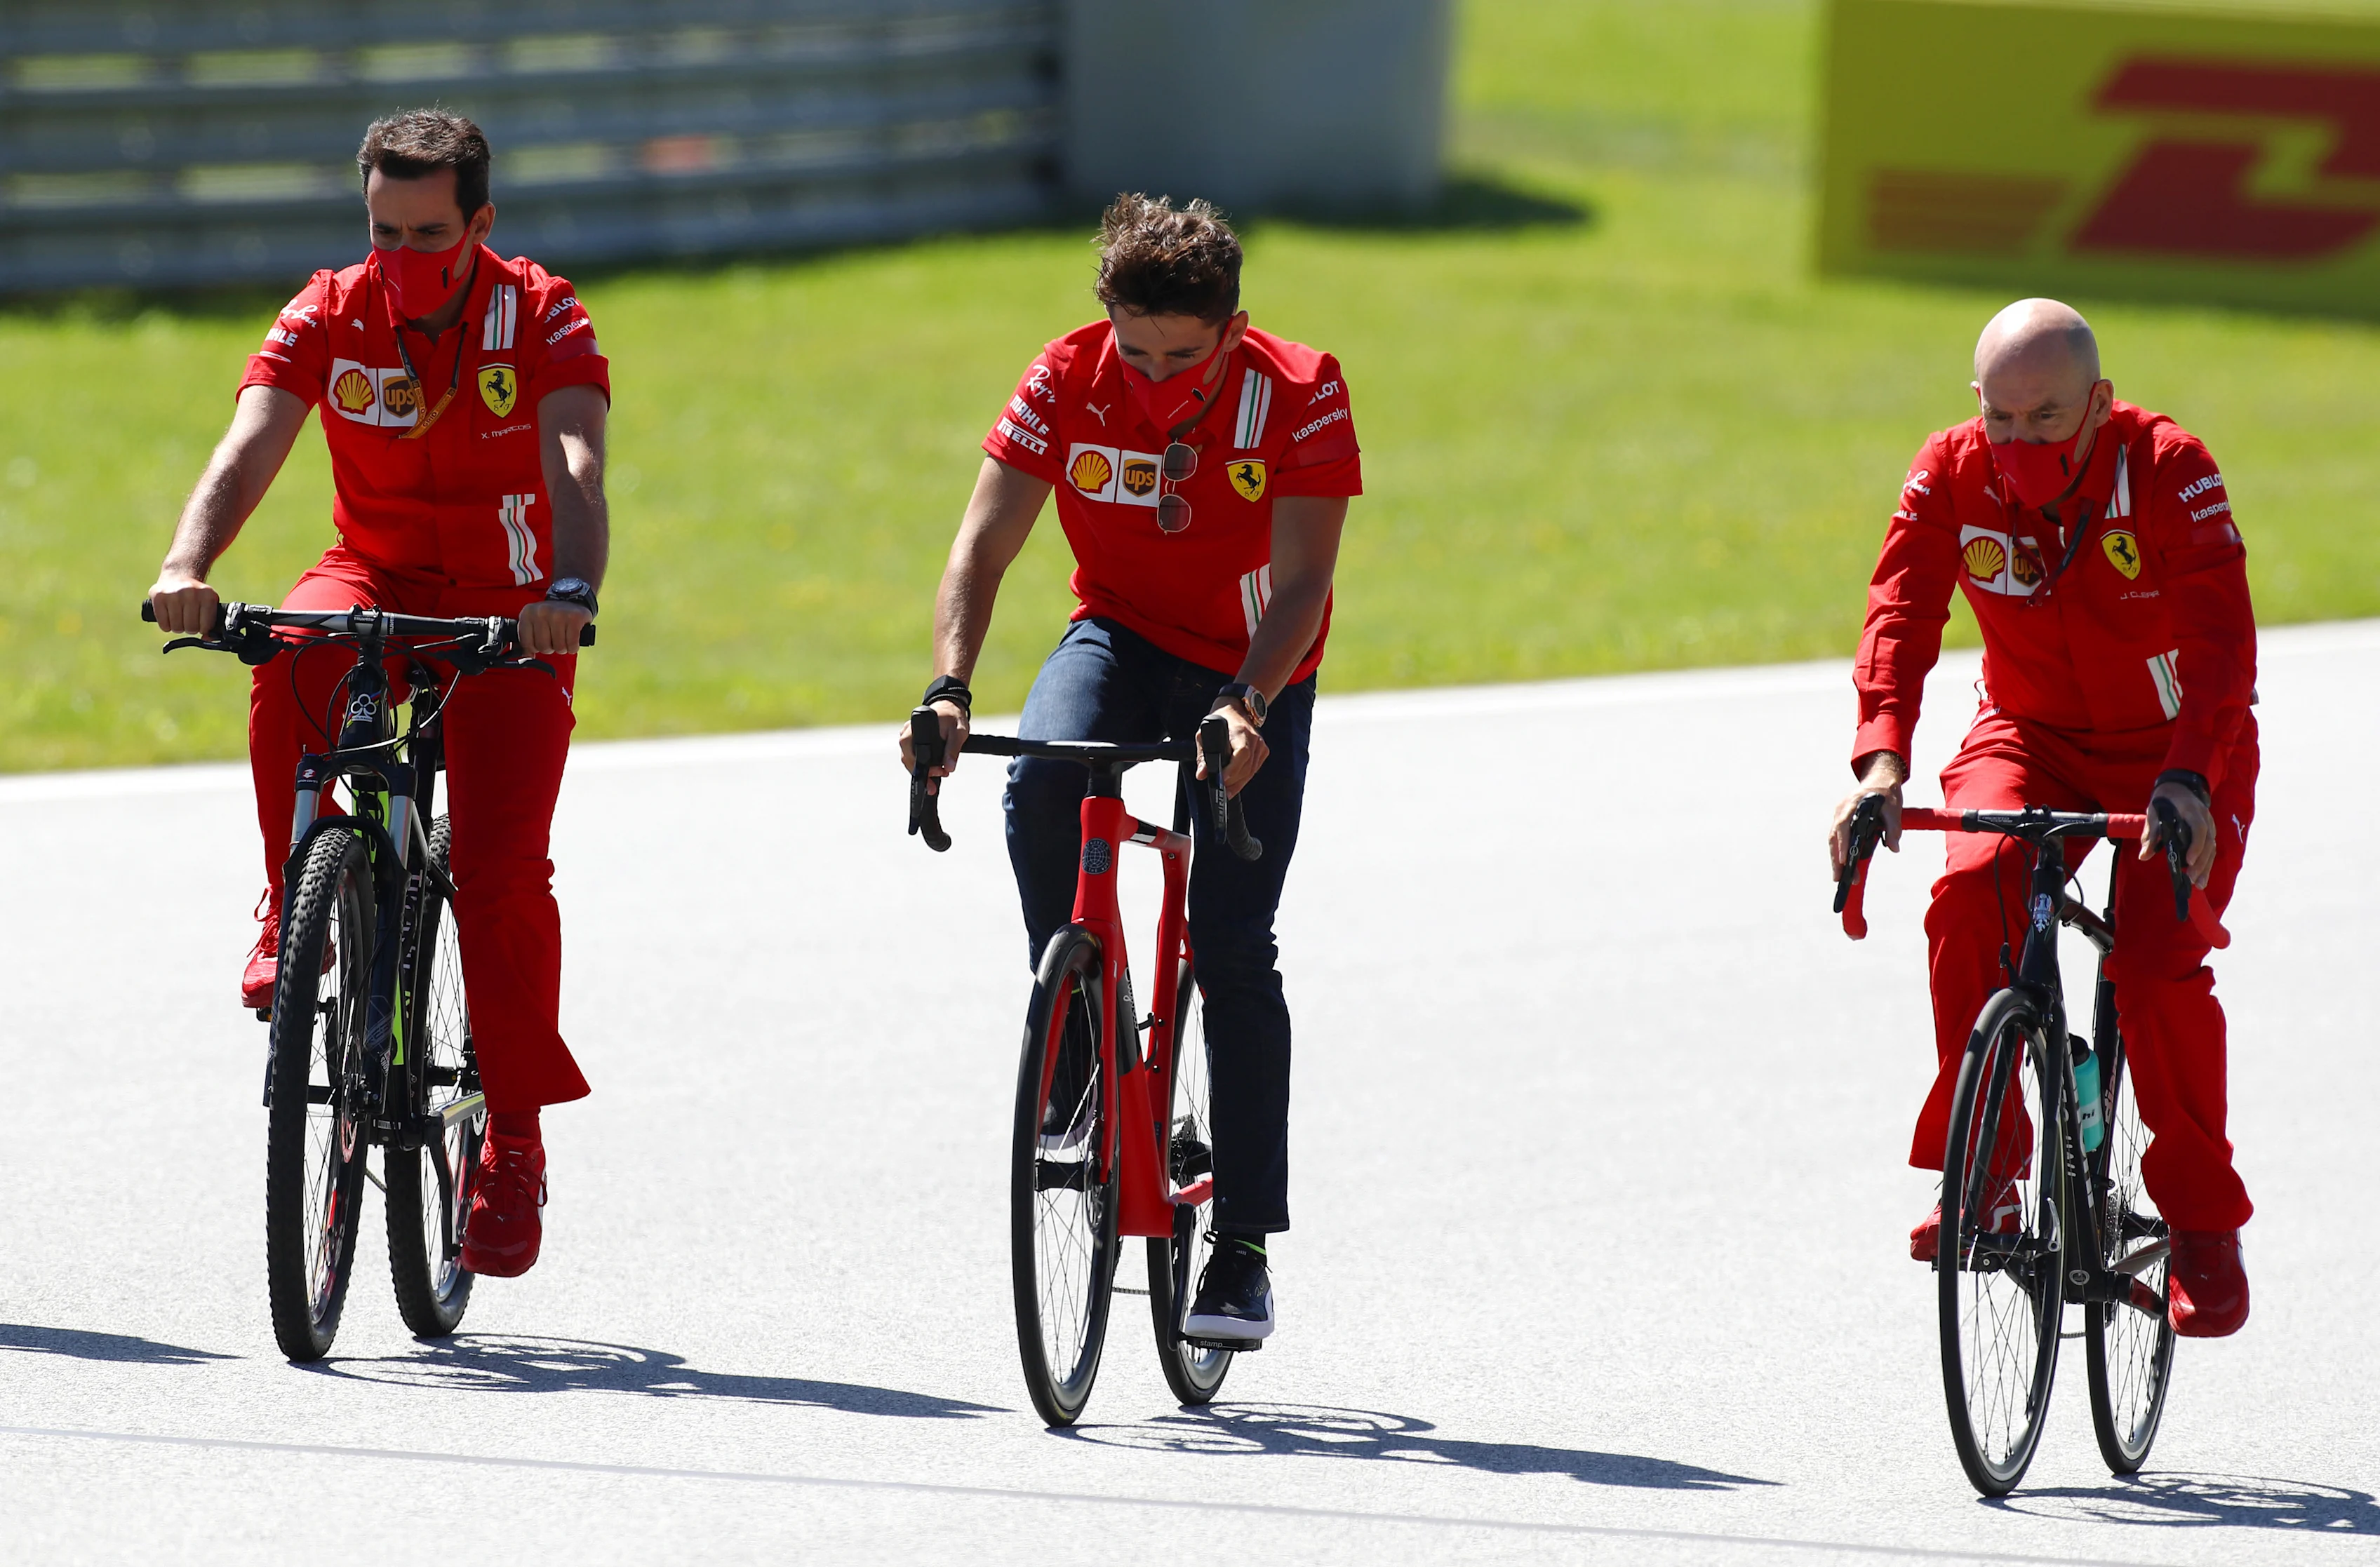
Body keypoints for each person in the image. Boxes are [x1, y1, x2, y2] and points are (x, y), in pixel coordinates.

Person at [147, 109, 610, 1279]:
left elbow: (577, 464)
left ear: (482, 224)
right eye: (384, 232)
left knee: (502, 873)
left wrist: (568, 586)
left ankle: (512, 1136)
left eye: (431, 235)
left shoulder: (543, 311)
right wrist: (186, 566)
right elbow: (247, 446)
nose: (403, 261)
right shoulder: (328, 309)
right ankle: (294, 890)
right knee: (289, 643)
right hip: (379, 575)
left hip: (512, 607)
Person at [898, 194, 1361, 1343]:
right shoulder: (1065, 377)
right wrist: (950, 688)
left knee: (1235, 940)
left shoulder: (1299, 390)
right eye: (1136, 349)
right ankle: (1076, 1064)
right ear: (1105, 317)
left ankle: (1244, 1246)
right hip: (1119, 634)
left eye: (1186, 356)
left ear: (1235, 328)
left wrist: (1251, 704)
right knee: (1040, 781)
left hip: (1257, 661)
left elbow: (1304, 582)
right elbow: (983, 543)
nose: (1156, 379)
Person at [1826, 299, 2257, 1337]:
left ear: (2099, 404)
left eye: (2047, 420)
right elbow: (1899, 611)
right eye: (2001, 419)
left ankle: (2202, 1225)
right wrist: (1881, 762)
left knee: (2154, 965)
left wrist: (2192, 780)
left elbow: (2220, 647)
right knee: (1970, 889)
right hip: (2029, 733)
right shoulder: (1951, 468)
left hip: (2178, 750)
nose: (2018, 444)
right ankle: (1991, 1173)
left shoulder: (2170, 467)